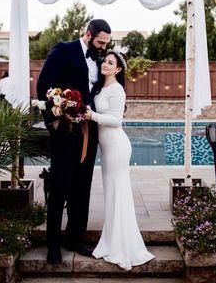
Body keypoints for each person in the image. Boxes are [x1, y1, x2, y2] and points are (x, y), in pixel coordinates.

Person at [37, 19, 111, 264]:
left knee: (82, 186)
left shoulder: (100, 59)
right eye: (100, 42)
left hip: (90, 131)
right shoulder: (63, 50)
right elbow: (43, 87)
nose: (103, 47)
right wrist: (58, 120)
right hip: (66, 132)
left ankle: (76, 238)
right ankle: (53, 245)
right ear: (88, 35)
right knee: (60, 187)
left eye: (106, 44)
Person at [84, 51, 155, 270]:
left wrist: (92, 116)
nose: (105, 64)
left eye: (111, 62)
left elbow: (116, 120)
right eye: (105, 60)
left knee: (118, 192)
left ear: (118, 69)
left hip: (116, 145)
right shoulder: (100, 87)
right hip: (106, 146)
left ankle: (121, 246)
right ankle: (112, 240)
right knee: (112, 194)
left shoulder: (117, 89)